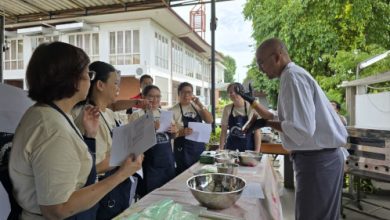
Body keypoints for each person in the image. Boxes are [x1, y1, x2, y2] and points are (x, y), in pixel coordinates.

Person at [8, 42, 143, 220]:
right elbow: (58, 209)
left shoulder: (52, 114)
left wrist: (89, 137)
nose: (90, 79)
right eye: (89, 74)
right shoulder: (53, 129)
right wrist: (121, 174)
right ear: (72, 79)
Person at [237, 38, 348, 220]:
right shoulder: (291, 75)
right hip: (318, 159)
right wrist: (256, 109)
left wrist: (265, 124)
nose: (260, 69)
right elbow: (282, 118)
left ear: (277, 57)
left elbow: (301, 129)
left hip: (318, 161)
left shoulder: (292, 77)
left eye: (261, 62)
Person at [73, 61, 133, 219]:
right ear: (100, 85)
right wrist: (128, 157)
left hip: (116, 186)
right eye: (115, 83)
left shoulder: (109, 113)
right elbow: (96, 167)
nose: (118, 88)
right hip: (102, 191)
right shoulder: (90, 116)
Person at [129, 85, 176, 196]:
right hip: (149, 164)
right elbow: (132, 140)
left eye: (158, 97)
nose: (155, 100)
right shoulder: (137, 115)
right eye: (151, 96)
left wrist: (174, 132)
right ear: (144, 97)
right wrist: (150, 128)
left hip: (167, 161)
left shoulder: (164, 114)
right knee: (150, 198)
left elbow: (172, 137)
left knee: (168, 196)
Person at [170, 82, 213, 175]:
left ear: (192, 94)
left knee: (200, 174)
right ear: (179, 94)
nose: (186, 95)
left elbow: (210, 120)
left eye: (189, 92)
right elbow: (170, 135)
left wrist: (200, 104)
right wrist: (182, 132)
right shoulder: (172, 111)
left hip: (199, 148)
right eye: (183, 92)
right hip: (183, 151)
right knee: (184, 176)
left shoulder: (196, 107)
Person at [219, 82, 261, 152]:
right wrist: (220, 148)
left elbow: (257, 131)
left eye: (232, 92)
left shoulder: (251, 107)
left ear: (240, 92)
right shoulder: (227, 108)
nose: (230, 94)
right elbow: (223, 131)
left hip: (248, 148)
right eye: (229, 92)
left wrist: (257, 151)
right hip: (231, 148)